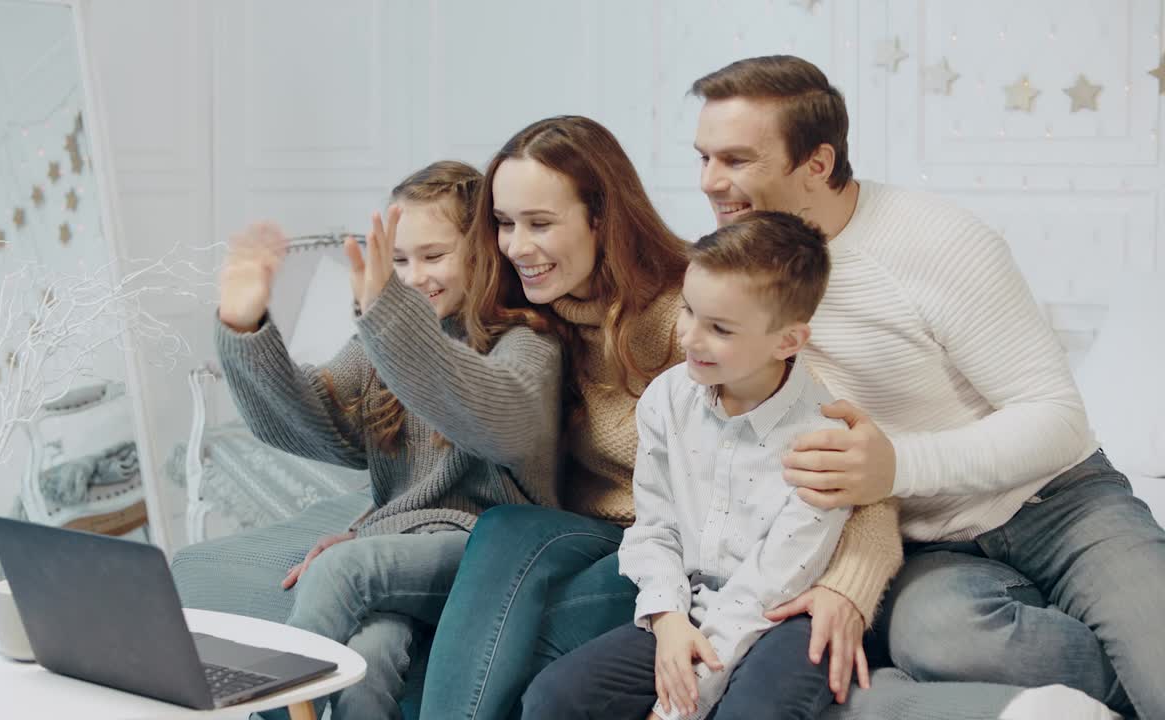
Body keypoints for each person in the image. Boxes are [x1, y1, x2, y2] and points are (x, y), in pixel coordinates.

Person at [689, 55, 1165, 718]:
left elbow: (1056, 417)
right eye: (704, 158)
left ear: (817, 164)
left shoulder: (936, 241)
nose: (710, 182)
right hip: (929, 546)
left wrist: (897, 465)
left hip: (1061, 502)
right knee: (938, 639)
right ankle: (1119, 681)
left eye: (736, 160)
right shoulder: (728, 280)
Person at [416, 116, 902, 720]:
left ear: (600, 218)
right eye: (503, 222)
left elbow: (860, 487)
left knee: (519, 610)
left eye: (539, 222)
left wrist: (848, 586)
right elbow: (460, 427)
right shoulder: (530, 318)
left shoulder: (706, 316)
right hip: (649, 560)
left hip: (727, 578)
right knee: (492, 543)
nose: (515, 246)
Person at [213, 161, 564, 720]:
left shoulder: (526, 343)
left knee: (341, 569)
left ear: (482, 253)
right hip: (403, 542)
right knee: (369, 659)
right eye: (399, 261)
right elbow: (309, 417)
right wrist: (246, 328)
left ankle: (268, 710)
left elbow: (498, 419)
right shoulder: (381, 345)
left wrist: (390, 322)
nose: (414, 276)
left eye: (433, 256)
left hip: (491, 547)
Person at [526, 212, 857, 720]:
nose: (689, 338)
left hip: (786, 615)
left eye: (719, 328)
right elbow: (654, 528)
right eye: (688, 310)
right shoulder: (666, 399)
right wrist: (667, 620)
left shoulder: (824, 444)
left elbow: (767, 588)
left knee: (753, 711)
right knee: (554, 697)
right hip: (691, 605)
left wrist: (675, 708)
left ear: (788, 341)